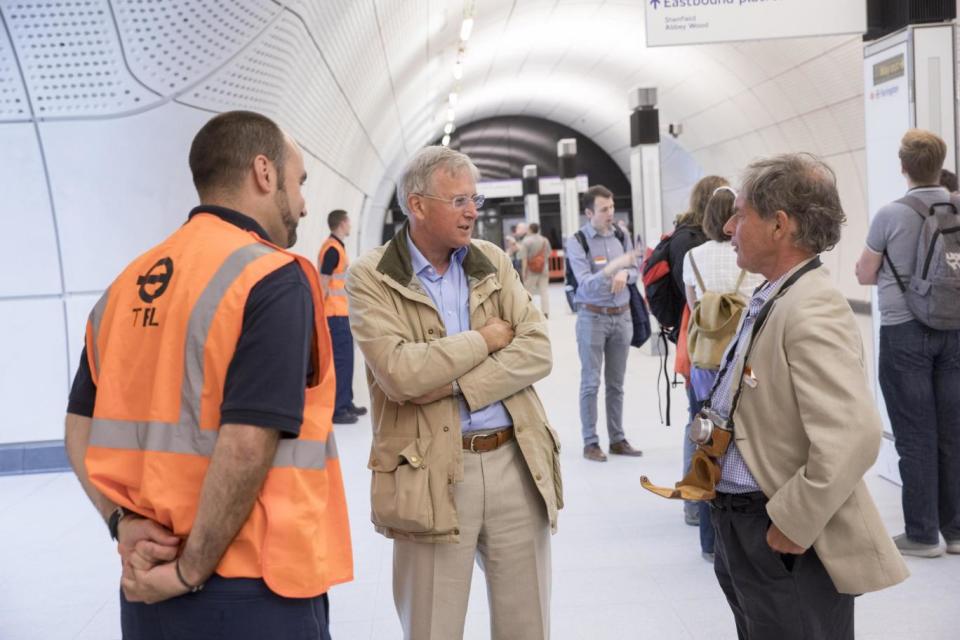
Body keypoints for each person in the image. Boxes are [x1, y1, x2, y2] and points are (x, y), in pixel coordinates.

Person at [63, 111, 353, 639]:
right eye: (300, 181)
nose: (305, 203)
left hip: (148, 587)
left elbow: (77, 430)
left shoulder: (126, 284)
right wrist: (189, 570)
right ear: (264, 173)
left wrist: (121, 524)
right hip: (254, 584)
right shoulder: (270, 276)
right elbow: (246, 444)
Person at [346, 146, 561, 640]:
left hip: (515, 462)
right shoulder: (372, 277)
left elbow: (536, 350)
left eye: (475, 198)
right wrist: (483, 341)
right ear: (417, 205)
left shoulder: (492, 261)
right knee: (433, 626)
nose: (472, 211)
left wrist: (460, 388)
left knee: (527, 625)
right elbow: (400, 373)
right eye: (459, 199)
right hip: (431, 471)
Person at [709, 153, 908, 639]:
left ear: (779, 225)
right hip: (746, 524)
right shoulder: (776, 295)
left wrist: (794, 522)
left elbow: (855, 435)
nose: (730, 226)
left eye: (741, 213)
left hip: (783, 535)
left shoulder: (812, 306)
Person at [855, 129, 960, 558]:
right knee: (951, 432)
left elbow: (864, 272)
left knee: (915, 434)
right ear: (940, 163)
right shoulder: (955, 208)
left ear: (903, 167)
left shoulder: (889, 214)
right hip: (953, 329)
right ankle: (955, 532)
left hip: (903, 331)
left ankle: (920, 534)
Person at [681, 185, 764, 561]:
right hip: (743, 361)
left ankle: (707, 542)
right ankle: (743, 535)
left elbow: (693, 307)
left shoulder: (693, 257)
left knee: (705, 442)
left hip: (704, 360)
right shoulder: (745, 256)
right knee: (746, 441)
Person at [566, 185, 644, 462]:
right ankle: (591, 442)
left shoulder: (621, 235)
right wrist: (613, 268)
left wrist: (626, 271)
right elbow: (585, 284)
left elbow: (636, 268)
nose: (610, 213)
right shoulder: (577, 241)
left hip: (622, 316)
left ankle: (617, 439)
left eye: (611, 207)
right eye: (603, 209)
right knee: (590, 382)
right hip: (592, 317)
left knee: (616, 384)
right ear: (589, 213)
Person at [669, 176, 718, 522]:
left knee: (698, 422)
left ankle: (695, 502)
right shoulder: (694, 244)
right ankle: (697, 500)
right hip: (719, 349)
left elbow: (688, 301)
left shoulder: (685, 243)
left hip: (698, 346)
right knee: (703, 422)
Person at [318, 209, 367, 424]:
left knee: (346, 360)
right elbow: (323, 282)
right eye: (348, 221)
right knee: (340, 361)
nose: (350, 224)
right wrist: (319, 313)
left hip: (341, 313)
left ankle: (346, 402)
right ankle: (338, 409)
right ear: (341, 224)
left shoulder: (337, 247)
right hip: (334, 315)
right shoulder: (332, 250)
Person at [520, 222, 552, 318]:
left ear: (530, 229)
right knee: (544, 291)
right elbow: (548, 254)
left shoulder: (526, 241)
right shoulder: (544, 240)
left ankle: (529, 313)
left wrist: (523, 272)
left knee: (528, 292)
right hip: (543, 269)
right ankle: (545, 312)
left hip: (531, 270)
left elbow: (524, 258)